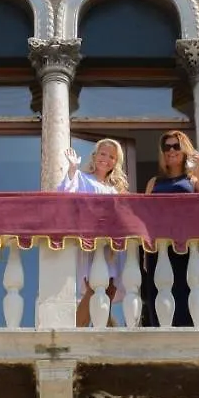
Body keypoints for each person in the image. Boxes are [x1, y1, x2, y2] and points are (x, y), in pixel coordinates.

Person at [142, 130, 199, 327]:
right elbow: (145, 215)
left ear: (184, 150)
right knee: (159, 294)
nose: (171, 150)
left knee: (186, 295)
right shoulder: (154, 182)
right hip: (159, 247)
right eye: (167, 147)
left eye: (176, 146)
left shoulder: (192, 180)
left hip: (187, 247)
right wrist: (144, 251)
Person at [58, 140, 128, 326]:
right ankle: (77, 330)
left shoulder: (115, 188)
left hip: (111, 245)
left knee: (109, 289)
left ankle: (104, 330)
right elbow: (66, 195)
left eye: (111, 156)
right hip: (92, 242)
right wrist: (72, 169)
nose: (106, 159)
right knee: (95, 286)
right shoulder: (82, 177)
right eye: (103, 154)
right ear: (95, 156)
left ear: (116, 162)